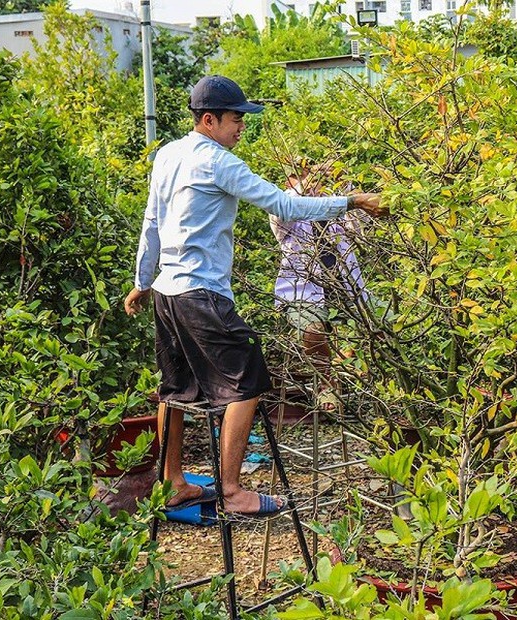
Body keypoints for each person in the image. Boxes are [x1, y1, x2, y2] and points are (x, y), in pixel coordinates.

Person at [123, 75, 386, 517]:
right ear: (209, 120)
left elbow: (152, 221)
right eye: (235, 119)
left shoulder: (168, 154)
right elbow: (284, 205)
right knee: (248, 380)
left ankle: (173, 482)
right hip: (201, 293)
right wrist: (352, 201)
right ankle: (232, 491)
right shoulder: (217, 161)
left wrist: (143, 280)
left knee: (175, 389)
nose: (241, 127)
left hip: (169, 292)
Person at [269, 161, 370, 413]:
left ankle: (347, 366)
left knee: (382, 326)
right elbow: (283, 211)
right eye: (298, 176)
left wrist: (345, 188)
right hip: (302, 289)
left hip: (345, 286)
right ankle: (328, 381)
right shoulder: (285, 206)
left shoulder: (336, 204)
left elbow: (360, 230)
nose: (308, 179)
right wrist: (309, 183)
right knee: (313, 329)